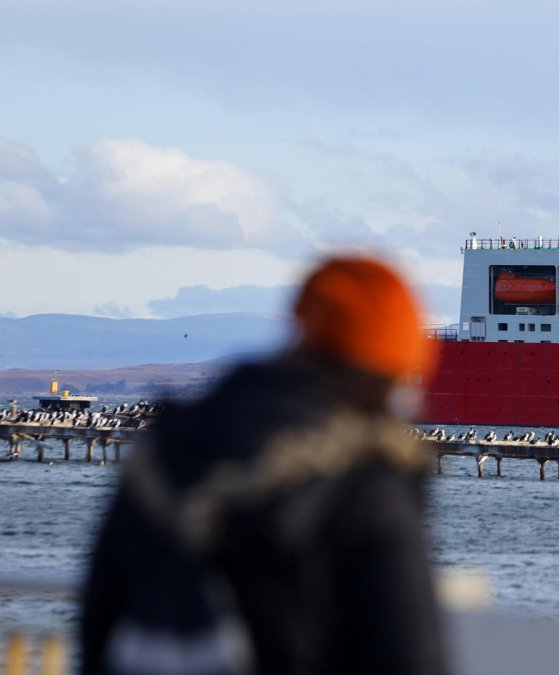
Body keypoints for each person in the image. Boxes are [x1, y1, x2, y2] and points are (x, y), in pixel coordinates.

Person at [82, 255, 448, 675]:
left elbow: (100, 621)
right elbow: (410, 655)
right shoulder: (366, 479)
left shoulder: (166, 451)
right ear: (388, 368)